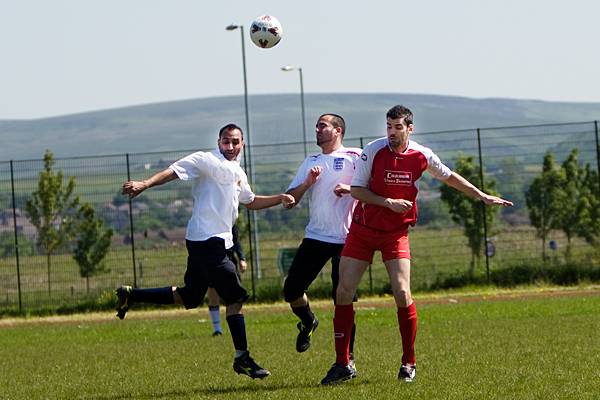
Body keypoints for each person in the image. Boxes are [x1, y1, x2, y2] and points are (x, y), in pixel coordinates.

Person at [320, 105, 513, 385]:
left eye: (398, 128)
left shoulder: (421, 155)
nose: (392, 133)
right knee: (343, 290)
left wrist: (480, 195)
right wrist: (387, 202)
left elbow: (448, 176)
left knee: (401, 291)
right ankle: (342, 364)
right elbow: (358, 190)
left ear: (410, 128)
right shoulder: (373, 151)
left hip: (395, 233)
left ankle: (408, 362)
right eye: (388, 126)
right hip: (362, 230)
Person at [115, 123, 295, 380]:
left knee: (189, 296)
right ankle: (242, 357)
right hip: (209, 242)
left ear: (243, 143)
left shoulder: (238, 172)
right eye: (226, 141)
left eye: (235, 142)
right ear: (218, 141)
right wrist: (145, 183)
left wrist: (280, 197)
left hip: (205, 242)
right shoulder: (206, 159)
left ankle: (132, 295)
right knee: (236, 298)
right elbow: (173, 172)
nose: (230, 146)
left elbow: (251, 201)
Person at [283, 114, 361, 359]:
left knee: (342, 299)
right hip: (316, 237)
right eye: (317, 126)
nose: (317, 129)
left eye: (322, 125)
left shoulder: (355, 157)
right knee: (291, 291)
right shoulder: (311, 161)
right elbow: (290, 201)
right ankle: (308, 322)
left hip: (347, 240)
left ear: (337, 130)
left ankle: (347, 358)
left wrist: (350, 189)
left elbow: (373, 188)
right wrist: (307, 183)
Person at [207, 224, 247, 337]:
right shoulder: (208, 221)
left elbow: (236, 242)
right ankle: (217, 328)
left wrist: (242, 258)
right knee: (213, 293)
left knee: (235, 296)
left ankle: (237, 327)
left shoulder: (230, 221)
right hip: (212, 260)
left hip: (229, 260)